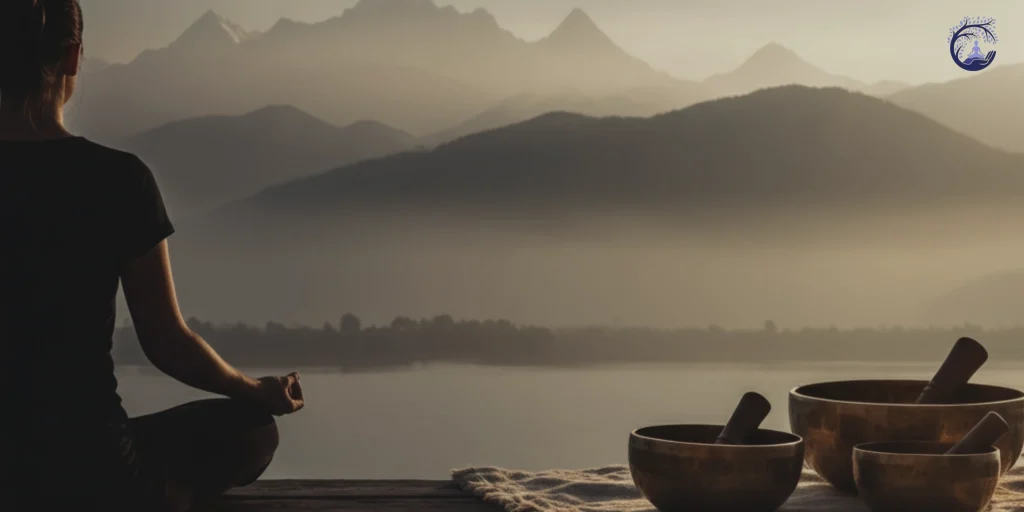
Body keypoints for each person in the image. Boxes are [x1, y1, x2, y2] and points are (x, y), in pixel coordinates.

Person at [0, 1, 305, 510]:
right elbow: (166, 342)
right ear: (73, 57)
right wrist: (255, 390)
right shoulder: (119, 180)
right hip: (93, 466)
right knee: (253, 431)